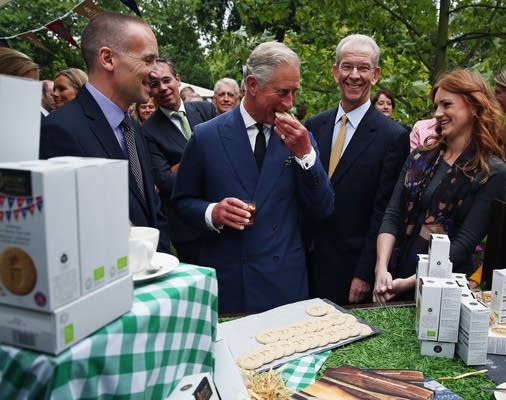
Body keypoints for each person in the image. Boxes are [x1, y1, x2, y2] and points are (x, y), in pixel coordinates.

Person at [171, 41, 335, 313]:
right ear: (252, 84)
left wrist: (306, 155)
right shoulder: (206, 136)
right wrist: (213, 213)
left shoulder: (299, 137)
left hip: (284, 281)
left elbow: (323, 208)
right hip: (232, 280)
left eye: (294, 92)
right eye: (282, 92)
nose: (289, 103)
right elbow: (182, 202)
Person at [373, 69, 506, 303]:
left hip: (444, 291)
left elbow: (464, 243)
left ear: (474, 106)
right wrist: (381, 269)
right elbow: (393, 214)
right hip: (394, 276)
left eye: (446, 105)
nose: (438, 113)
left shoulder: (492, 172)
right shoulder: (420, 157)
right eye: (436, 106)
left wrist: (412, 282)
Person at [39, 11, 170, 252]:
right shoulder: (60, 130)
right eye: (148, 60)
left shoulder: (133, 129)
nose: (156, 73)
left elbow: (150, 207)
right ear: (108, 58)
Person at [304, 34, 410, 305]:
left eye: (363, 68)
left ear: (375, 75)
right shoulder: (315, 125)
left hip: (351, 269)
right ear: (335, 72)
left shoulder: (392, 136)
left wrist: (364, 273)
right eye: (347, 66)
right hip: (305, 263)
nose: (354, 75)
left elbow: (384, 210)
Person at [143, 56, 217, 263]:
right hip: (188, 228)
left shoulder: (206, 111)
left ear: (178, 79)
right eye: (154, 84)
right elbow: (165, 181)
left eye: (167, 80)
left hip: (222, 215)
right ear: (149, 90)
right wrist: (203, 162)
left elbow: (228, 154)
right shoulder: (148, 131)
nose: (163, 88)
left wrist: (181, 168)